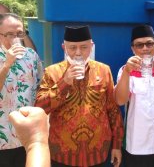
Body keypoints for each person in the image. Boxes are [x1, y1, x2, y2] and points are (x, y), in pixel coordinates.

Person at [35, 25, 124, 167]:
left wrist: (117, 145)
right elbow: (40, 108)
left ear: (91, 46)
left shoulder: (103, 70)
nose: (78, 53)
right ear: (64, 47)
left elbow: (112, 109)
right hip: (63, 154)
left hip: (98, 152)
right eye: (72, 47)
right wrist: (64, 83)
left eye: (83, 47)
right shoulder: (52, 72)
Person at [114, 24, 154, 167]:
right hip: (136, 145)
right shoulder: (125, 71)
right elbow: (120, 100)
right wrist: (128, 71)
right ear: (133, 49)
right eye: (139, 45)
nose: (145, 48)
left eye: (149, 43)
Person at [0, 13, 43, 167]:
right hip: (2, 137)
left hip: (27, 135)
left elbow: (41, 86)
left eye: (20, 34)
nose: (16, 39)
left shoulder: (31, 56)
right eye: (9, 34)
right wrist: (6, 65)